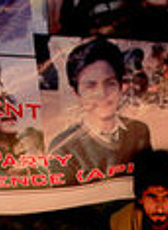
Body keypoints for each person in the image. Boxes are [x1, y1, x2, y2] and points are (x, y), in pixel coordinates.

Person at [49, 36, 151, 185]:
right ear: (76, 93)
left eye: (110, 83)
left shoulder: (140, 132)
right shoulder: (62, 149)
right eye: (91, 86)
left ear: (121, 86)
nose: (102, 94)